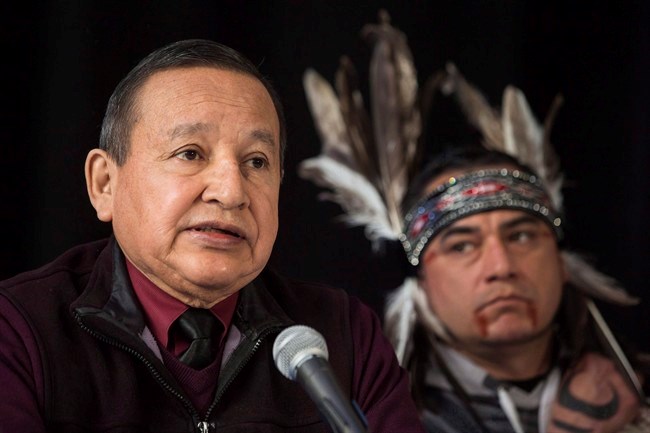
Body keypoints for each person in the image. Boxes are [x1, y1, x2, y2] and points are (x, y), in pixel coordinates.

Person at [0, 39, 427, 433]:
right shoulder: (20, 329)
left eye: (257, 162)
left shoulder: (343, 334)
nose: (231, 191)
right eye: (190, 153)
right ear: (105, 184)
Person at [297, 13, 649, 433]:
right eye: (462, 245)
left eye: (520, 235)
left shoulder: (636, 395)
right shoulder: (371, 415)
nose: (501, 266)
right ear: (421, 283)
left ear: (561, 262)